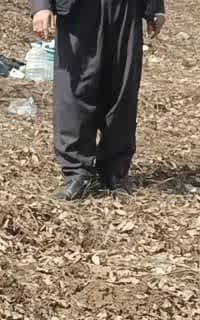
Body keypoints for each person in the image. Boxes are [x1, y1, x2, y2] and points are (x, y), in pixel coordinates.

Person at [30, 0, 166, 200]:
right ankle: (77, 173)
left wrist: (155, 8)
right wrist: (41, 6)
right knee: (74, 88)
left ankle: (114, 171)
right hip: (78, 10)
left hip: (125, 9)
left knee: (122, 90)